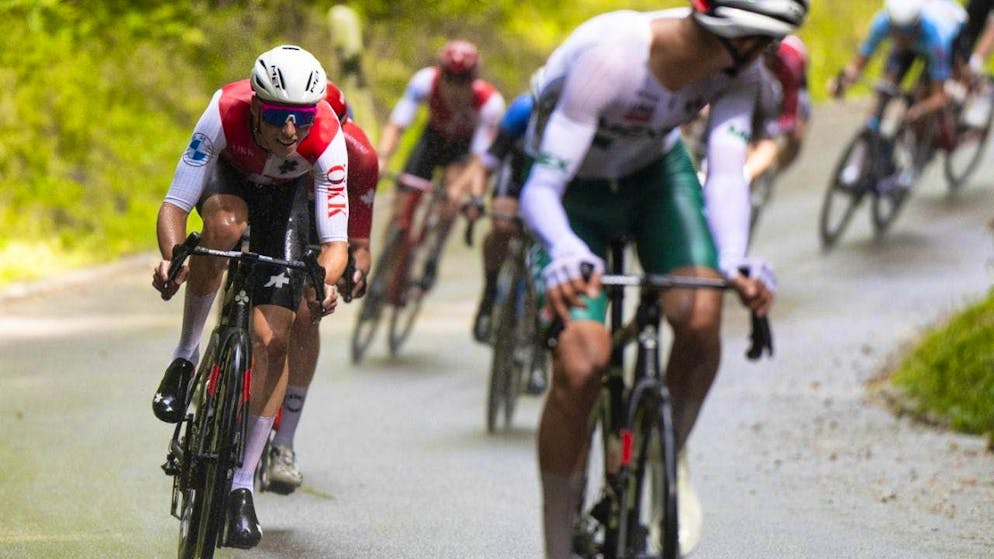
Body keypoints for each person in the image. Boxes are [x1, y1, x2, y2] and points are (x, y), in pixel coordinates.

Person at [518, 2, 807, 557]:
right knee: (582, 361)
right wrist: (566, 248)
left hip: (655, 179)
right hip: (572, 193)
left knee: (700, 315)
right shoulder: (612, 56)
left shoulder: (741, 73)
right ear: (735, 36)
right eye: (766, 42)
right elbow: (541, 189)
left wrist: (735, 258)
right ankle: (557, 538)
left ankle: (663, 456)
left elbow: (726, 173)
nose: (768, 56)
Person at [151, 45, 350, 549]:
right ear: (257, 106)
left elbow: (335, 247)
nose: (290, 130)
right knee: (221, 227)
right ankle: (185, 357)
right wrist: (173, 258)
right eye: (279, 116)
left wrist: (322, 282)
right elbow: (175, 205)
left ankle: (242, 484)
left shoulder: (327, 138)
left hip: (285, 207)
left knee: (274, 342)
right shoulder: (224, 109)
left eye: (301, 118)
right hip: (230, 185)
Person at [263, 80, 380, 494]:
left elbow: (359, 244)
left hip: (323, 223)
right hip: (276, 201)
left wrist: (355, 272)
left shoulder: (359, 157)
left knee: (308, 308)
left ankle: (284, 443)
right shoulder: (277, 138)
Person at [376, 40, 505, 295]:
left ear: (474, 80)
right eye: (449, 79)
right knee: (402, 202)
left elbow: (479, 159)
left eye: (463, 81)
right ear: (440, 74)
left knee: (452, 196)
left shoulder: (490, 103)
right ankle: (388, 259)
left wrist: (458, 189)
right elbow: (396, 126)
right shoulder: (424, 81)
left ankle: (433, 252)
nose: (455, 88)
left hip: (463, 150)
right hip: (432, 140)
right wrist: (382, 159)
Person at [455, 79, 548, 393]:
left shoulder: (583, 112)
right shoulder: (521, 111)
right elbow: (487, 164)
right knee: (503, 226)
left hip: (557, 177)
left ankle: (540, 353)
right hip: (518, 170)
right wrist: (477, 198)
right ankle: (491, 291)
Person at [830, 0, 966, 157]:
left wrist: (920, 109)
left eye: (906, 33)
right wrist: (842, 83)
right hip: (909, 48)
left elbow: (939, 96)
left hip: (944, 42)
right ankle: (871, 135)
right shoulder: (882, 23)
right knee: (885, 87)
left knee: (920, 95)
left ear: (917, 26)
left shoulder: (937, 40)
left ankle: (922, 149)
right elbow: (858, 64)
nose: (902, 38)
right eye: (896, 32)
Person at [744, 34, 811, 184]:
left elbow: (791, 112)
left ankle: (772, 175)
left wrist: (773, 129)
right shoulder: (751, 55)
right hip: (765, 84)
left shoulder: (790, 64)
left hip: (793, 87)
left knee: (796, 134)